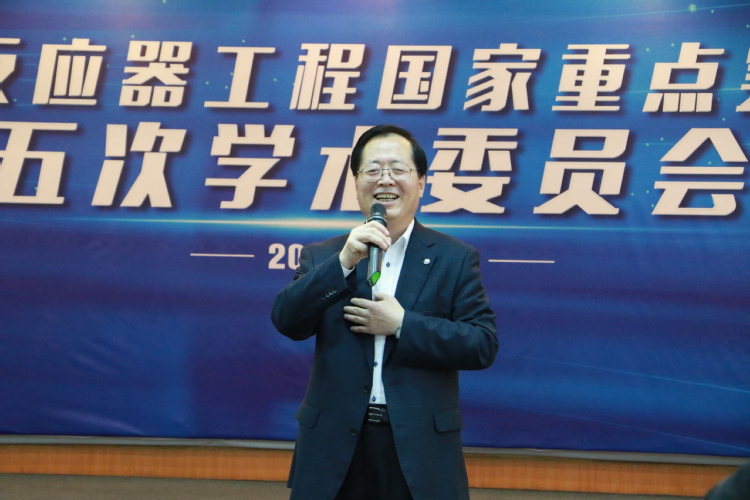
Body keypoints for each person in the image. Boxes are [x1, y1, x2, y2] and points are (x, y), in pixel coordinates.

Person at [271, 124, 498, 500]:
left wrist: (402, 324)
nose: (385, 179)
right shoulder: (324, 256)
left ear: (421, 183)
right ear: (357, 183)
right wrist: (344, 262)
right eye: (373, 169)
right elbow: (287, 321)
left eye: (397, 169)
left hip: (418, 446)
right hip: (335, 445)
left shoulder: (454, 258)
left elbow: (481, 344)